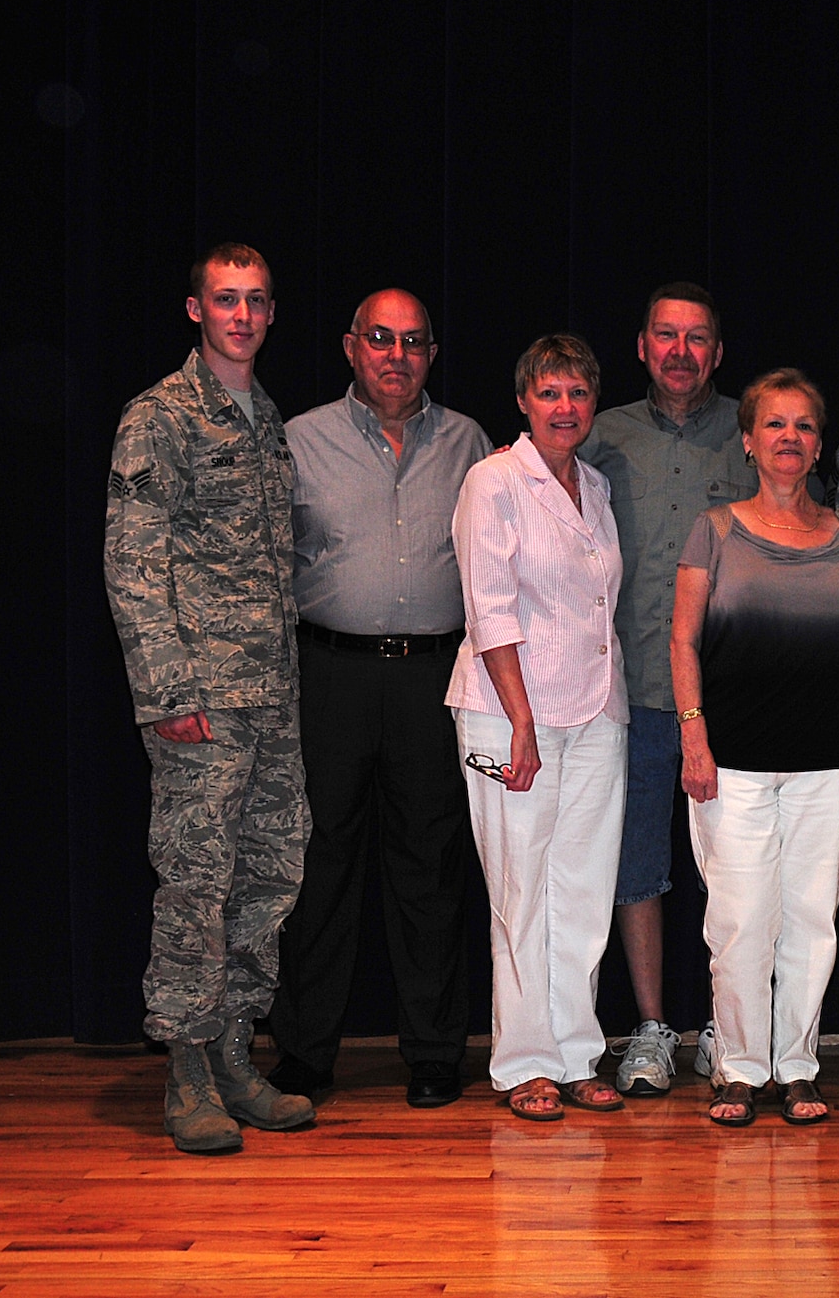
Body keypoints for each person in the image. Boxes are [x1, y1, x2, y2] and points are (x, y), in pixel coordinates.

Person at [104, 242, 317, 1153]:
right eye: (226, 300)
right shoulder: (160, 415)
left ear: (272, 312)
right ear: (196, 309)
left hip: (270, 694)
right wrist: (166, 691)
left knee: (269, 876)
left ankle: (235, 1052)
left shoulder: (265, 416)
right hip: (200, 700)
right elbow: (134, 563)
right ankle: (186, 1070)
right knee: (196, 882)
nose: (243, 314)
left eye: (258, 300)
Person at [268, 290, 491, 1110]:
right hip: (329, 674)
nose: (397, 356)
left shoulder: (471, 442)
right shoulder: (298, 440)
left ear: (433, 352)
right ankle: (303, 1053)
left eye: (414, 342)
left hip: (434, 678)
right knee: (319, 865)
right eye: (381, 340)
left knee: (430, 871)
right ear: (350, 347)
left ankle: (434, 1052)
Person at [671, 369, 839, 1126]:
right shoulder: (715, 530)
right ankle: (736, 1069)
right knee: (737, 921)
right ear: (749, 440)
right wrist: (693, 734)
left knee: (811, 920)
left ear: (818, 443)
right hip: (731, 762)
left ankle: (797, 1068)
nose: (788, 437)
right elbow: (682, 639)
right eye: (774, 424)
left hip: (830, 761)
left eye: (802, 425)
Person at [446, 334, 629, 1121]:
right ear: (523, 400)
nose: (565, 407)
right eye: (550, 392)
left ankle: (578, 1052)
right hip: (507, 710)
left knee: (582, 893)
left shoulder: (595, 484)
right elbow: (490, 608)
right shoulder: (493, 481)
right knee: (520, 891)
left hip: (596, 709)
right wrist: (520, 720)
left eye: (579, 393)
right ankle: (523, 1061)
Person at [580, 283, 756, 1096]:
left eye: (697, 338)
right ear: (643, 346)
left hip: (735, 699)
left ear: (717, 353)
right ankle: (650, 1027)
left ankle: (731, 1022)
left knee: (738, 873)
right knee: (637, 868)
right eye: (665, 335)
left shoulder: (753, 431)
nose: (681, 351)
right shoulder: (598, 437)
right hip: (632, 693)